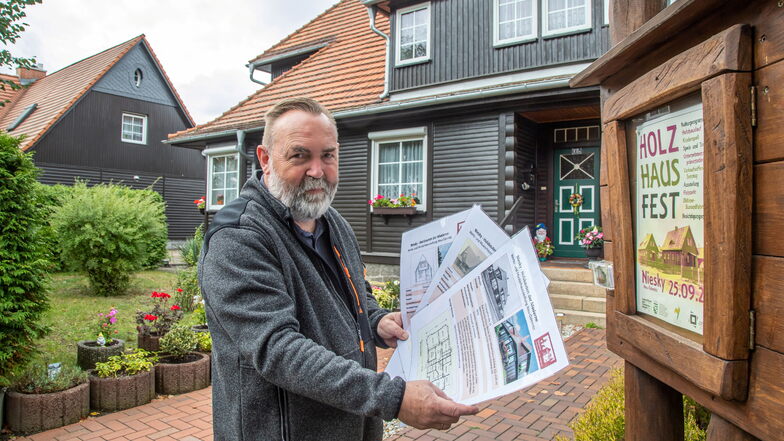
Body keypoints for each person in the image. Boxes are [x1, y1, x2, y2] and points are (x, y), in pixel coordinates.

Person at [199, 97, 478, 441]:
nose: (317, 171)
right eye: (300, 155)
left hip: (354, 426)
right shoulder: (239, 238)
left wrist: (378, 321)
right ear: (265, 159)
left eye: (328, 155)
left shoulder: (333, 223)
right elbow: (277, 348)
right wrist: (392, 397)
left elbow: (356, 297)